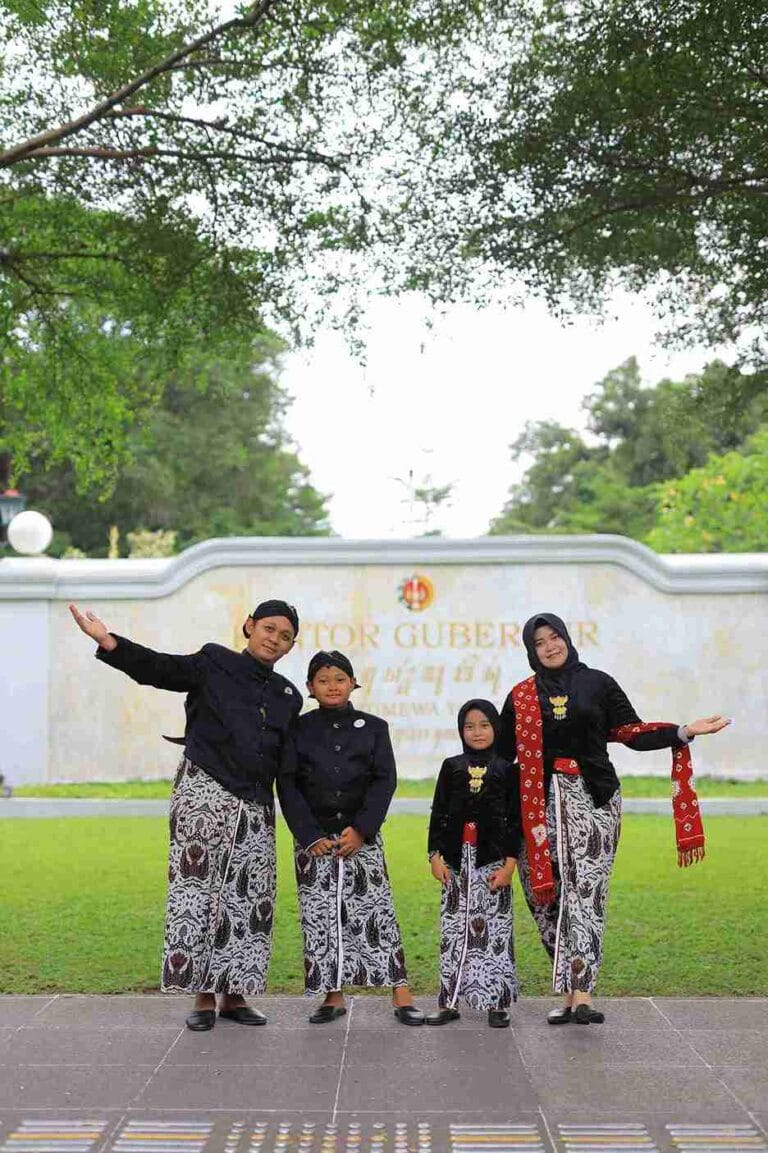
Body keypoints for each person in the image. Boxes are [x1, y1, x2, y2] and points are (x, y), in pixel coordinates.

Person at [69, 598, 304, 1032]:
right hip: (204, 794)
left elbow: (289, 765)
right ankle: (202, 998)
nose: (275, 639)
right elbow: (160, 669)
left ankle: (234, 996)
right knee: (198, 895)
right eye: (269, 628)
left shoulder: (289, 696)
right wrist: (109, 641)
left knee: (249, 899)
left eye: (285, 636)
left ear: (291, 646)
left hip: (256, 805)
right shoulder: (214, 662)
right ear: (249, 626)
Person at [499, 612, 730, 1025]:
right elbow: (499, 757)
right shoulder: (520, 696)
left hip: (594, 800)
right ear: (531, 651)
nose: (550, 646)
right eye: (540, 642)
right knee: (544, 898)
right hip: (536, 809)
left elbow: (631, 732)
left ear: (567, 638)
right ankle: (568, 993)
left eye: (555, 637)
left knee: (586, 894)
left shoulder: (598, 683)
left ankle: (583, 995)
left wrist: (682, 731)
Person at [279, 649, 424, 1025]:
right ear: (310, 687)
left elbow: (384, 781)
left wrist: (362, 829)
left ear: (353, 683)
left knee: (378, 913)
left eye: (340, 679)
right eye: (323, 680)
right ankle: (333, 996)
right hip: (314, 843)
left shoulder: (374, 728)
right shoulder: (298, 729)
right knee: (320, 918)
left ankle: (401, 993)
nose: (332, 686)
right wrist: (309, 835)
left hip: (361, 839)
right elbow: (288, 783)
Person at [426, 699, 521, 1028]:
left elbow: (515, 821)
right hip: (456, 861)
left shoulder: (508, 769)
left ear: (496, 728)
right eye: (469, 726)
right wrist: (434, 856)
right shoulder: (451, 766)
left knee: (495, 931)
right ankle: (449, 1002)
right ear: (460, 730)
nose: (477, 732)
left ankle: (497, 1002)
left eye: (484, 725)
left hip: (493, 862)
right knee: (454, 931)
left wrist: (509, 865)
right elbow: (439, 813)